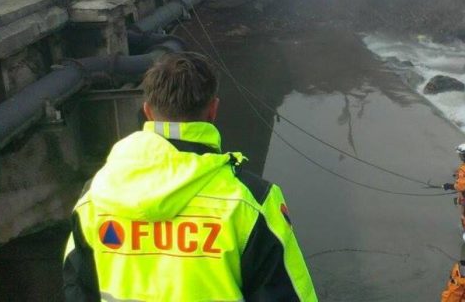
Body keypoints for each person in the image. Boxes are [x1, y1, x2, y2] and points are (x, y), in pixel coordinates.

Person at [62, 52, 318, 301]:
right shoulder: (251, 202)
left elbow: (78, 289)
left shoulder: (94, 198)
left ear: (148, 111)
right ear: (213, 110)